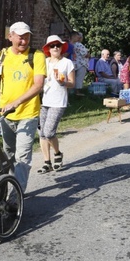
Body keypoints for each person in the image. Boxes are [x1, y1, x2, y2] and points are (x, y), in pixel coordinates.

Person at [0, 21, 46, 193]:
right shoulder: (1, 57)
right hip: (5, 115)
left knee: (22, 158)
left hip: (28, 113)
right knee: (8, 156)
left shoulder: (36, 56)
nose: (24, 41)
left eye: (27, 37)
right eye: (20, 37)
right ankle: (5, 191)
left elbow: (38, 85)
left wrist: (17, 102)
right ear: (10, 36)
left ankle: (15, 199)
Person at [37, 35, 75, 174]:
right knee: (42, 133)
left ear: (61, 47)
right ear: (47, 49)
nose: (55, 48)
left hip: (58, 102)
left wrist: (63, 82)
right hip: (44, 101)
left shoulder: (67, 63)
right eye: (52, 46)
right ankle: (47, 163)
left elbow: (72, 83)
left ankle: (58, 153)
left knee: (49, 132)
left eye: (58, 45)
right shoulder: (44, 62)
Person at [70, 31, 89, 96]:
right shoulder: (79, 44)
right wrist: (89, 55)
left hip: (75, 63)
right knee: (79, 78)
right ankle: (78, 92)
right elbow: (85, 54)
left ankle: (72, 91)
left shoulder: (71, 44)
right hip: (81, 63)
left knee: (74, 78)